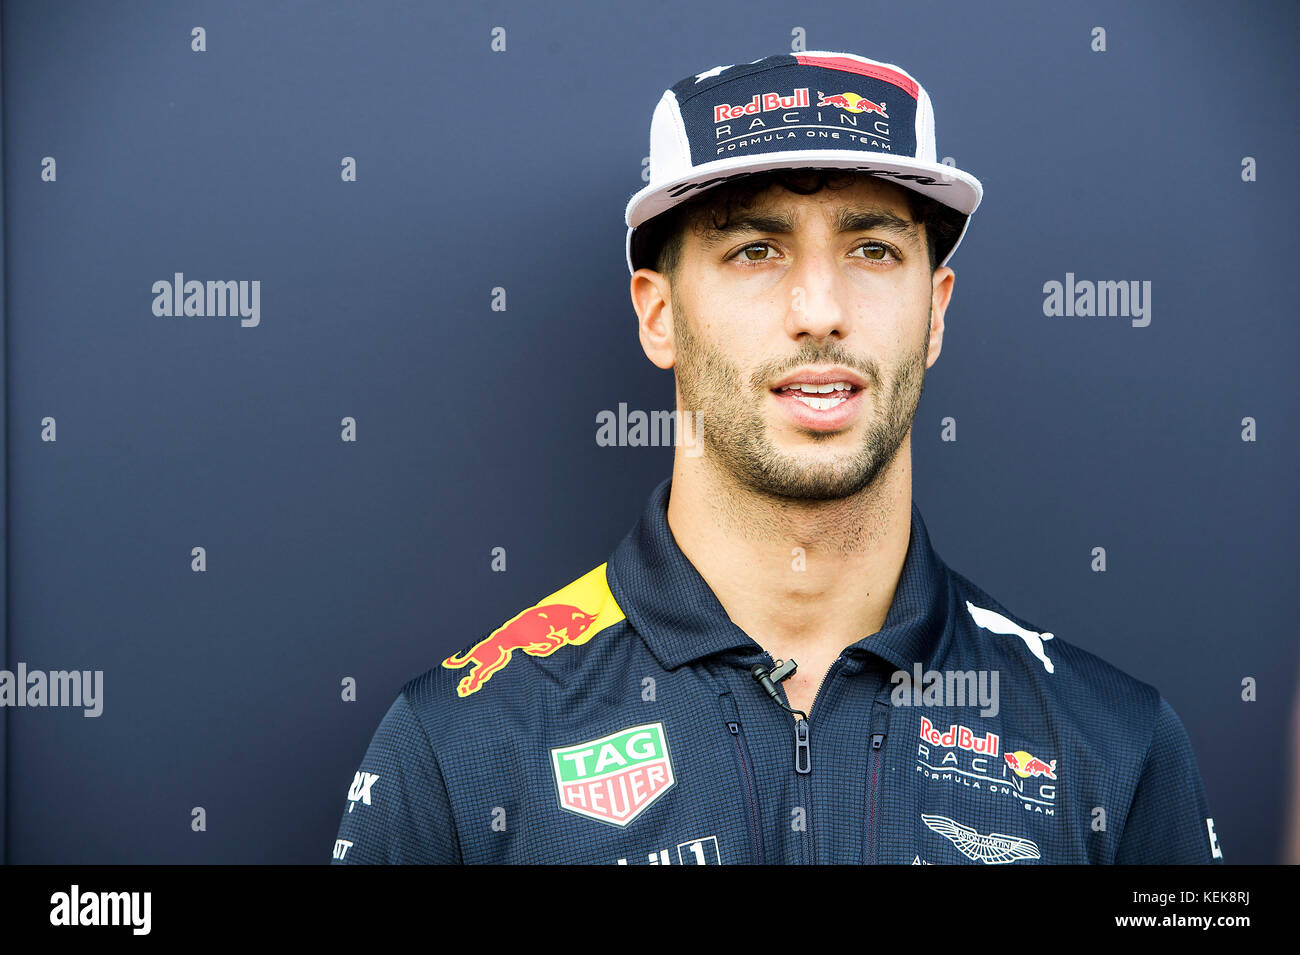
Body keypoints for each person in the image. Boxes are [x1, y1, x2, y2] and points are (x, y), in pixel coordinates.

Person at [330, 51, 1223, 864]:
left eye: (872, 247)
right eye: (755, 249)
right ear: (658, 313)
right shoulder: (465, 743)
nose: (819, 307)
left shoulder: (1115, 746)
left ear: (937, 308)